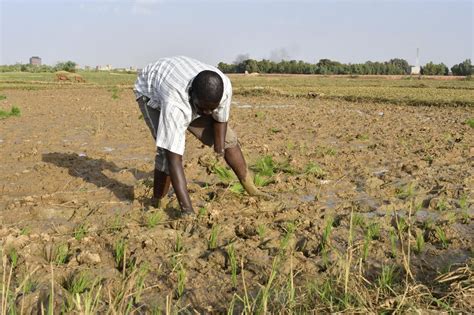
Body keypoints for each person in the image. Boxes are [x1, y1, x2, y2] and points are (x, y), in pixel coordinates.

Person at [134, 56, 268, 216]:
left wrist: (219, 150)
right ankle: (157, 202)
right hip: (150, 92)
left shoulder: (224, 86)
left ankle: (251, 188)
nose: (207, 114)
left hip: (185, 85)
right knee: (165, 152)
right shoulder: (175, 104)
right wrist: (188, 212)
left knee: (229, 139)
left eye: (212, 109)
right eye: (203, 109)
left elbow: (220, 120)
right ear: (191, 95)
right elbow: (174, 158)